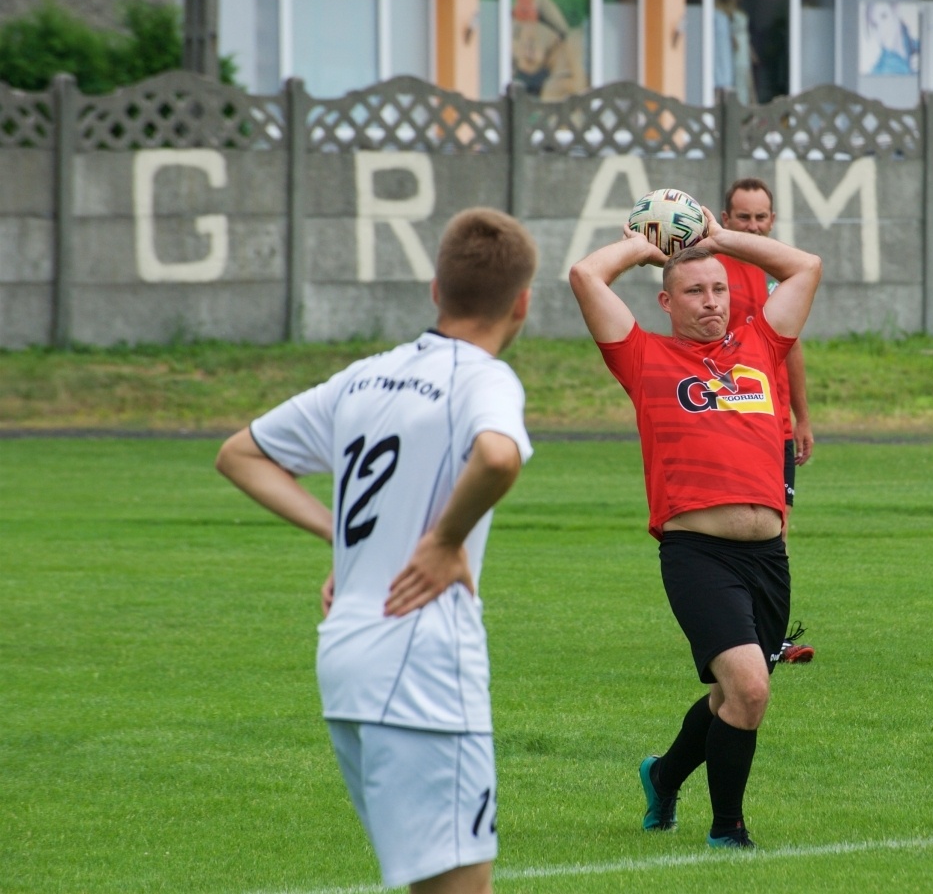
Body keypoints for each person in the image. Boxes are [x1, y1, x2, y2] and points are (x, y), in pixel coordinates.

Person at [216, 208, 537, 894]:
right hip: (423, 667)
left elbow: (240, 454)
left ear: (436, 289)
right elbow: (498, 456)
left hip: (346, 662)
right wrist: (445, 540)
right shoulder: (484, 378)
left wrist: (347, 540)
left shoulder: (363, 377)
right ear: (523, 303)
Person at [567, 208, 822, 850]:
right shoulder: (644, 357)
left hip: (768, 558)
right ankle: (728, 832)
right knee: (750, 688)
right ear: (666, 301)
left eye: (718, 289)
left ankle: (663, 775)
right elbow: (585, 276)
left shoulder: (761, 344)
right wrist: (641, 248)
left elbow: (805, 268)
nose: (711, 301)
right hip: (697, 556)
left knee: (734, 697)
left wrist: (721, 239)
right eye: (693, 291)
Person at [720, 178, 814, 501]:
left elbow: (792, 347)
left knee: (780, 519)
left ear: (772, 220)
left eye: (760, 217)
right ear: (725, 219)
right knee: (730, 517)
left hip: (777, 424)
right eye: (744, 217)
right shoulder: (708, 270)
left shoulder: (783, 273)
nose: (753, 226)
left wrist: (802, 419)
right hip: (726, 418)